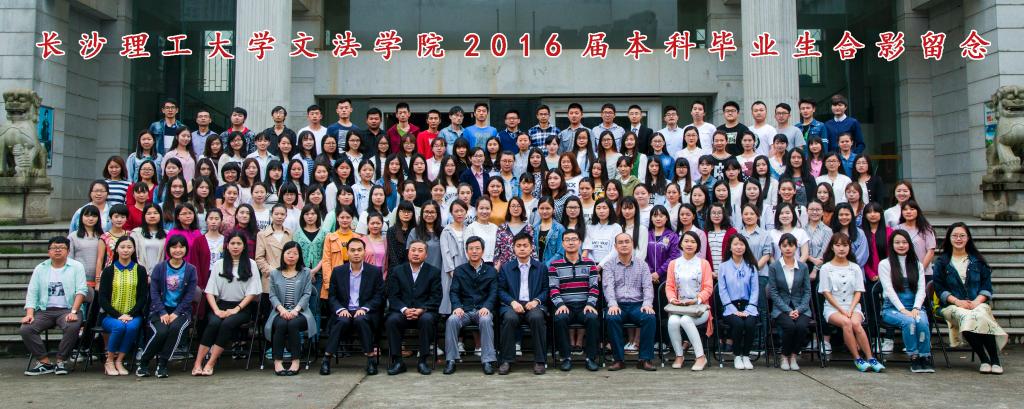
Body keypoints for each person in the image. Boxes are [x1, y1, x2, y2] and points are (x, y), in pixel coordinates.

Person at [933, 222, 1007, 374]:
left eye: (962, 235)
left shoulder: (978, 261)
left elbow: (986, 287)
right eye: (954, 235)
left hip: (976, 302)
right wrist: (958, 302)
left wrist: (976, 302)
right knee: (965, 316)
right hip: (951, 305)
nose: (958, 239)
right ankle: (984, 359)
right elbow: (939, 289)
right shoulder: (942, 262)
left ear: (968, 238)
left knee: (981, 314)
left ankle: (995, 361)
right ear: (949, 238)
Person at [192, 231, 262, 376]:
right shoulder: (219, 264)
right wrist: (216, 310)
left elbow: (253, 293)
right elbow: (209, 292)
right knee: (213, 323)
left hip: (242, 307)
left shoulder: (252, 264)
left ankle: (210, 363)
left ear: (244, 246)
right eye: (232, 243)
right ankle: (197, 363)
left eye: (239, 243)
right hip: (221, 305)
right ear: (227, 246)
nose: (235, 246)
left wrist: (236, 309)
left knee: (227, 324)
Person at [20, 237, 87, 376]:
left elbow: (81, 291)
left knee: (72, 326)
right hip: (45, 310)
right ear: (48, 251)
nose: (57, 250)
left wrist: (74, 311)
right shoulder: (40, 268)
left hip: (68, 309)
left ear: (68, 251)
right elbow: (32, 292)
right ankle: (44, 362)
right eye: (54, 248)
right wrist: (29, 314)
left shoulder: (77, 266)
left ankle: (61, 361)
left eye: (61, 248)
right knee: (26, 329)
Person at [819, 233, 884, 372]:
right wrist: (842, 310)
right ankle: (857, 358)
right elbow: (826, 292)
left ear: (849, 247)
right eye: (837, 245)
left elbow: (858, 291)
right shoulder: (826, 268)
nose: (841, 249)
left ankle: (870, 358)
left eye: (845, 245)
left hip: (853, 306)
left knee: (855, 323)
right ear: (832, 247)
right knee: (846, 323)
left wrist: (851, 309)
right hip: (833, 308)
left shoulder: (855, 267)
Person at [321, 238, 384, 375]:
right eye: (353, 250)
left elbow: (379, 295)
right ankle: (326, 359)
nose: (356, 253)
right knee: (341, 321)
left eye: (359, 250)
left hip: (365, 311)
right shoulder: (338, 271)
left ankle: (370, 359)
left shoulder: (374, 271)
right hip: (344, 311)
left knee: (361, 319)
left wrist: (364, 308)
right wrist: (341, 309)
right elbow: (332, 296)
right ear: (347, 252)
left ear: (364, 252)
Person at [136, 235, 195, 378]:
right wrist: (162, 312)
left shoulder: (191, 269)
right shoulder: (160, 267)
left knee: (175, 329)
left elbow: (190, 295)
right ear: (168, 249)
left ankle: (162, 364)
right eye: (174, 247)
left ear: (186, 249)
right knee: (161, 332)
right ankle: (143, 363)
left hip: (181, 312)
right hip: (159, 310)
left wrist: (176, 312)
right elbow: (154, 292)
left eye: (181, 247)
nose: (178, 250)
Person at [877, 229, 934, 373]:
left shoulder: (917, 264)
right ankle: (914, 356)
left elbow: (921, 289)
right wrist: (903, 310)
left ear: (909, 244)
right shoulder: (885, 264)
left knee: (922, 321)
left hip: (914, 307)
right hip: (892, 309)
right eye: (897, 242)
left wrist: (916, 308)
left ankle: (924, 356)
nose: (901, 245)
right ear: (892, 245)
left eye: (904, 242)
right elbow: (889, 290)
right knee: (909, 322)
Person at [443, 236, 499, 375]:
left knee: (486, 320)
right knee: (452, 320)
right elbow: (454, 291)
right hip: (465, 310)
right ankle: (451, 360)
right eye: (471, 249)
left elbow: (494, 293)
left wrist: (487, 307)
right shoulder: (460, 270)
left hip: (483, 310)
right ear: (466, 251)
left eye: (477, 248)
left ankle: (487, 361)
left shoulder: (491, 271)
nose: (474, 251)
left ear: (483, 251)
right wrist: (457, 306)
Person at [385, 241, 443, 375]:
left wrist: (422, 309)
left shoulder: (434, 272)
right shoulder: (397, 271)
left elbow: (436, 297)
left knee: (427, 320)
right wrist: (405, 309)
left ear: (426, 255)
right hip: (402, 312)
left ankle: (423, 361)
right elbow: (393, 296)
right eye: (413, 250)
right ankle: (398, 361)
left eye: (420, 251)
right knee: (392, 320)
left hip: (424, 312)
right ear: (408, 253)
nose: (416, 253)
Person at [495, 233, 549, 375]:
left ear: (531, 248)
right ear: (513, 248)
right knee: (509, 319)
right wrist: (512, 302)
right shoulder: (506, 268)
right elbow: (500, 290)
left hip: (534, 304)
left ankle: (540, 360)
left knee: (537, 318)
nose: (522, 249)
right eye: (518, 246)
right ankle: (506, 360)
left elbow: (546, 290)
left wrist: (536, 301)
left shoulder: (541, 267)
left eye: (525, 245)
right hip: (512, 305)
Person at [603, 233, 657, 371]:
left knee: (649, 317)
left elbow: (648, 287)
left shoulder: (642, 265)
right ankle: (618, 360)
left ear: (632, 244)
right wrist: (612, 304)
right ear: (615, 246)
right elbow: (608, 287)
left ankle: (644, 359)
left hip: (637, 305)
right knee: (612, 318)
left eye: (627, 241)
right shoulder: (609, 265)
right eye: (620, 242)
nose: (624, 245)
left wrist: (647, 304)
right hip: (618, 305)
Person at [549, 229, 601, 372]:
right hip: (565, 305)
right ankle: (566, 357)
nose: (571, 242)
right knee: (560, 319)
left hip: (585, 305)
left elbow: (594, 287)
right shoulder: (555, 265)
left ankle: (590, 358)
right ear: (562, 243)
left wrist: (590, 303)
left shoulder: (590, 263)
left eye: (574, 239)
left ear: (580, 242)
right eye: (567, 240)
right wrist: (560, 304)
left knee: (592, 318)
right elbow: (553, 288)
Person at [264, 241, 316, 376]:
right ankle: (278, 361)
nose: (291, 256)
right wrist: (282, 310)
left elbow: (307, 294)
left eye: (295, 253)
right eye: (288, 253)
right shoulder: (275, 273)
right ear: (283, 254)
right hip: (279, 312)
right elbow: (272, 295)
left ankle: (295, 361)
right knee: (281, 324)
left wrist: (295, 310)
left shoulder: (306, 272)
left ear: (299, 256)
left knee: (293, 324)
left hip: (301, 312)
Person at [664, 231, 713, 371]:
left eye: (693, 241)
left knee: (686, 320)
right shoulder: (674, 264)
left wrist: (696, 300)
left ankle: (701, 357)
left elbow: (708, 288)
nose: (689, 244)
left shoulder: (704, 264)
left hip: (699, 307)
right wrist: (673, 299)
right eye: (686, 241)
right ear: (681, 244)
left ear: (698, 245)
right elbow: (669, 286)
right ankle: (679, 355)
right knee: (673, 321)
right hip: (679, 307)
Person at [767, 233, 812, 371]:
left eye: (791, 245)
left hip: (801, 307)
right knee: (790, 327)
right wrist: (788, 310)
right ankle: (784, 355)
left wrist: (799, 309)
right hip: (781, 307)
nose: (788, 248)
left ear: (796, 247)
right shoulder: (774, 267)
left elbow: (807, 291)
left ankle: (793, 355)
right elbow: (773, 292)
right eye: (784, 245)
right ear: (780, 247)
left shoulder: (803, 267)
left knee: (801, 327)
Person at [719, 235, 760, 370]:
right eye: (735, 244)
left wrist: (749, 309)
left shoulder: (751, 266)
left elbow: (755, 290)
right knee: (738, 323)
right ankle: (737, 355)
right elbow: (722, 290)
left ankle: (746, 355)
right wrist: (733, 309)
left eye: (742, 244)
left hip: (748, 305)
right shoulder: (723, 266)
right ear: (730, 247)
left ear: (745, 247)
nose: (738, 247)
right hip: (730, 306)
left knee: (749, 324)